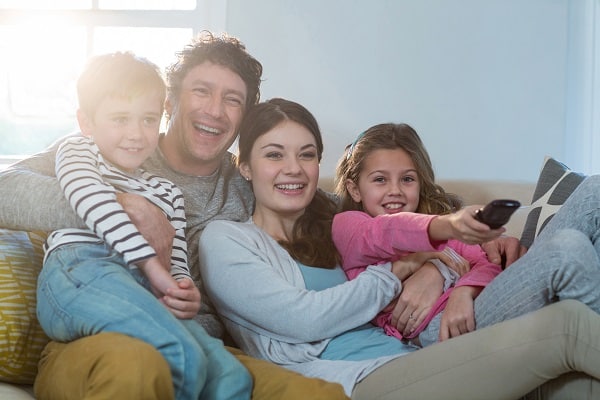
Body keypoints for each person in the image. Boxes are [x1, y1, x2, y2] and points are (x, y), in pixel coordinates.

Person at [0, 32, 348, 400]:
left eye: (232, 100)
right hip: (96, 337)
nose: (214, 110)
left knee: (317, 395)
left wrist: (417, 259)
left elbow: (361, 209)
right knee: (135, 370)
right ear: (169, 101)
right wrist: (122, 204)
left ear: (244, 117)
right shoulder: (116, 144)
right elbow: (5, 190)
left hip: (200, 343)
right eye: (201, 91)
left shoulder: (254, 179)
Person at [198, 97, 600, 399]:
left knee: (586, 211)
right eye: (274, 155)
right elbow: (304, 319)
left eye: (307, 155)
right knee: (567, 315)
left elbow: (411, 239)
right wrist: (401, 270)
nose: (293, 168)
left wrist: (438, 271)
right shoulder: (226, 239)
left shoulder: (335, 219)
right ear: (245, 166)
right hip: (363, 377)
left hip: (417, 352)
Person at [35, 51, 252, 400]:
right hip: (80, 273)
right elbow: (92, 202)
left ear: (161, 113)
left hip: (138, 286)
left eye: (148, 120)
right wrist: (151, 266)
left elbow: (175, 254)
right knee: (182, 355)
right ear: (87, 122)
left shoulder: (166, 191)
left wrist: (182, 290)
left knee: (231, 375)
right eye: (120, 119)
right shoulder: (79, 151)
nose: (136, 134)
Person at [333, 123, 503, 346]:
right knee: (554, 258)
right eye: (380, 179)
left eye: (407, 179)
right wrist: (440, 233)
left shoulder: (440, 227)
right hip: (432, 329)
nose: (395, 190)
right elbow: (387, 232)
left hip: (466, 308)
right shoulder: (348, 225)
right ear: (355, 189)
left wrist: (464, 292)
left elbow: (487, 263)